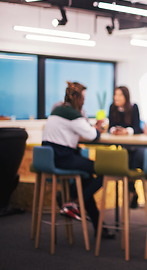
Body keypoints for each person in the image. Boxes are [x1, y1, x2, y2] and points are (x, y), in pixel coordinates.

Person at [42, 81, 115, 239]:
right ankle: (73, 201)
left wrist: (91, 127)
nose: (84, 102)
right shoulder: (73, 114)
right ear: (77, 98)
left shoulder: (58, 110)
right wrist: (99, 129)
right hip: (63, 158)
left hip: (52, 158)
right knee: (106, 170)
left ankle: (98, 227)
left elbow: (79, 129)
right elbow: (92, 136)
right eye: (83, 98)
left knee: (87, 179)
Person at [108, 86, 144, 208]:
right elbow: (111, 126)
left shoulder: (133, 107)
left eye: (119, 95)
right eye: (115, 94)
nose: (116, 98)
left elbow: (138, 129)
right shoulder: (112, 108)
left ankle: (133, 192)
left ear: (126, 97)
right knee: (127, 160)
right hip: (122, 149)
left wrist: (127, 131)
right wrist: (114, 131)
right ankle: (133, 193)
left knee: (133, 161)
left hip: (134, 147)